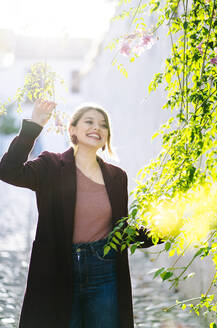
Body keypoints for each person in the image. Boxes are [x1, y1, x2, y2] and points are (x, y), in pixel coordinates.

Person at [0, 99, 163, 328]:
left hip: (105, 269)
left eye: (103, 125)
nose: (97, 127)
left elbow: (121, 230)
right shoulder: (50, 166)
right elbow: (8, 171)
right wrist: (34, 125)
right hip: (58, 268)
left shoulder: (117, 177)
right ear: (73, 129)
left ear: (107, 136)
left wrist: (162, 230)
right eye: (89, 121)